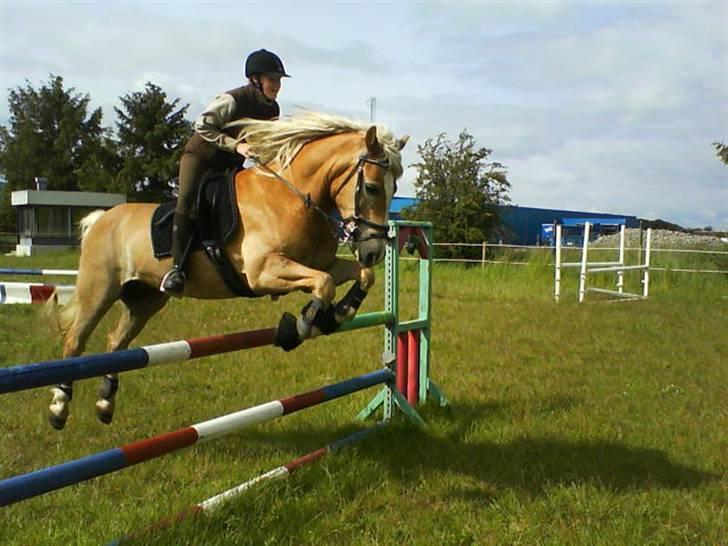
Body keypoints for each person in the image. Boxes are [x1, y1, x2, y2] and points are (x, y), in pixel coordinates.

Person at [160, 48, 290, 294]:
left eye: (279, 81)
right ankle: (177, 270)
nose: (276, 85)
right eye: (272, 79)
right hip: (202, 157)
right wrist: (236, 146)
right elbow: (203, 125)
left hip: (231, 164)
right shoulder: (232, 99)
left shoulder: (273, 110)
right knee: (187, 202)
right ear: (256, 79)